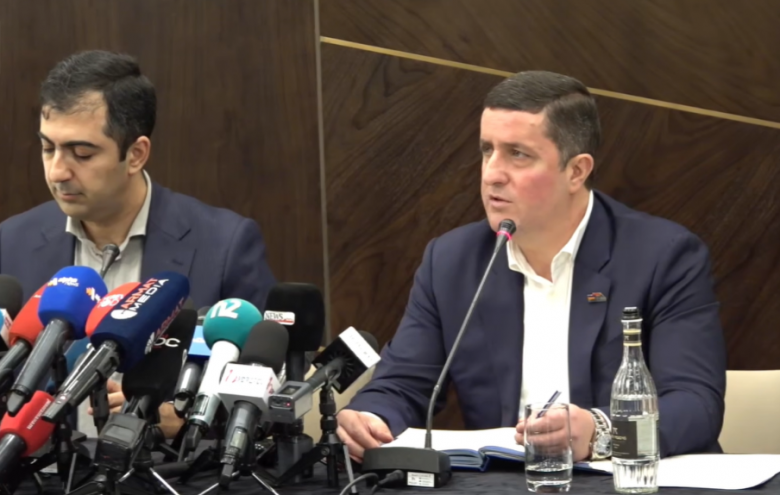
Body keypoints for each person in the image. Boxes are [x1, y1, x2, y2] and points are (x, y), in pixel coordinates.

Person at [337, 70, 726, 463]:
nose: (492, 173)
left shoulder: (662, 256)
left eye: (518, 154)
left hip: (626, 480)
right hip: (502, 483)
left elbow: (694, 405)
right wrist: (371, 417)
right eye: (487, 150)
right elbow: (403, 384)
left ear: (576, 171)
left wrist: (602, 432)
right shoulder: (452, 261)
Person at [0, 50, 276, 437]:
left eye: (82, 153)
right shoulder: (10, 242)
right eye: (48, 148)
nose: (57, 171)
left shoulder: (224, 246)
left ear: (135, 154)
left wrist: (185, 421)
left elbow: (266, 394)